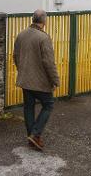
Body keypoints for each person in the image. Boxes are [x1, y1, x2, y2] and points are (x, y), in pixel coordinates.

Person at [13, 9, 60, 151]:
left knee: (29, 106)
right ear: (44, 21)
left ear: (33, 19)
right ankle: (35, 134)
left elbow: (15, 56)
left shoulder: (21, 34)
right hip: (40, 81)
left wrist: (22, 71)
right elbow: (48, 62)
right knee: (48, 104)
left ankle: (31, 136)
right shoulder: (43, 38)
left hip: (25, 79)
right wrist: (55, 80)